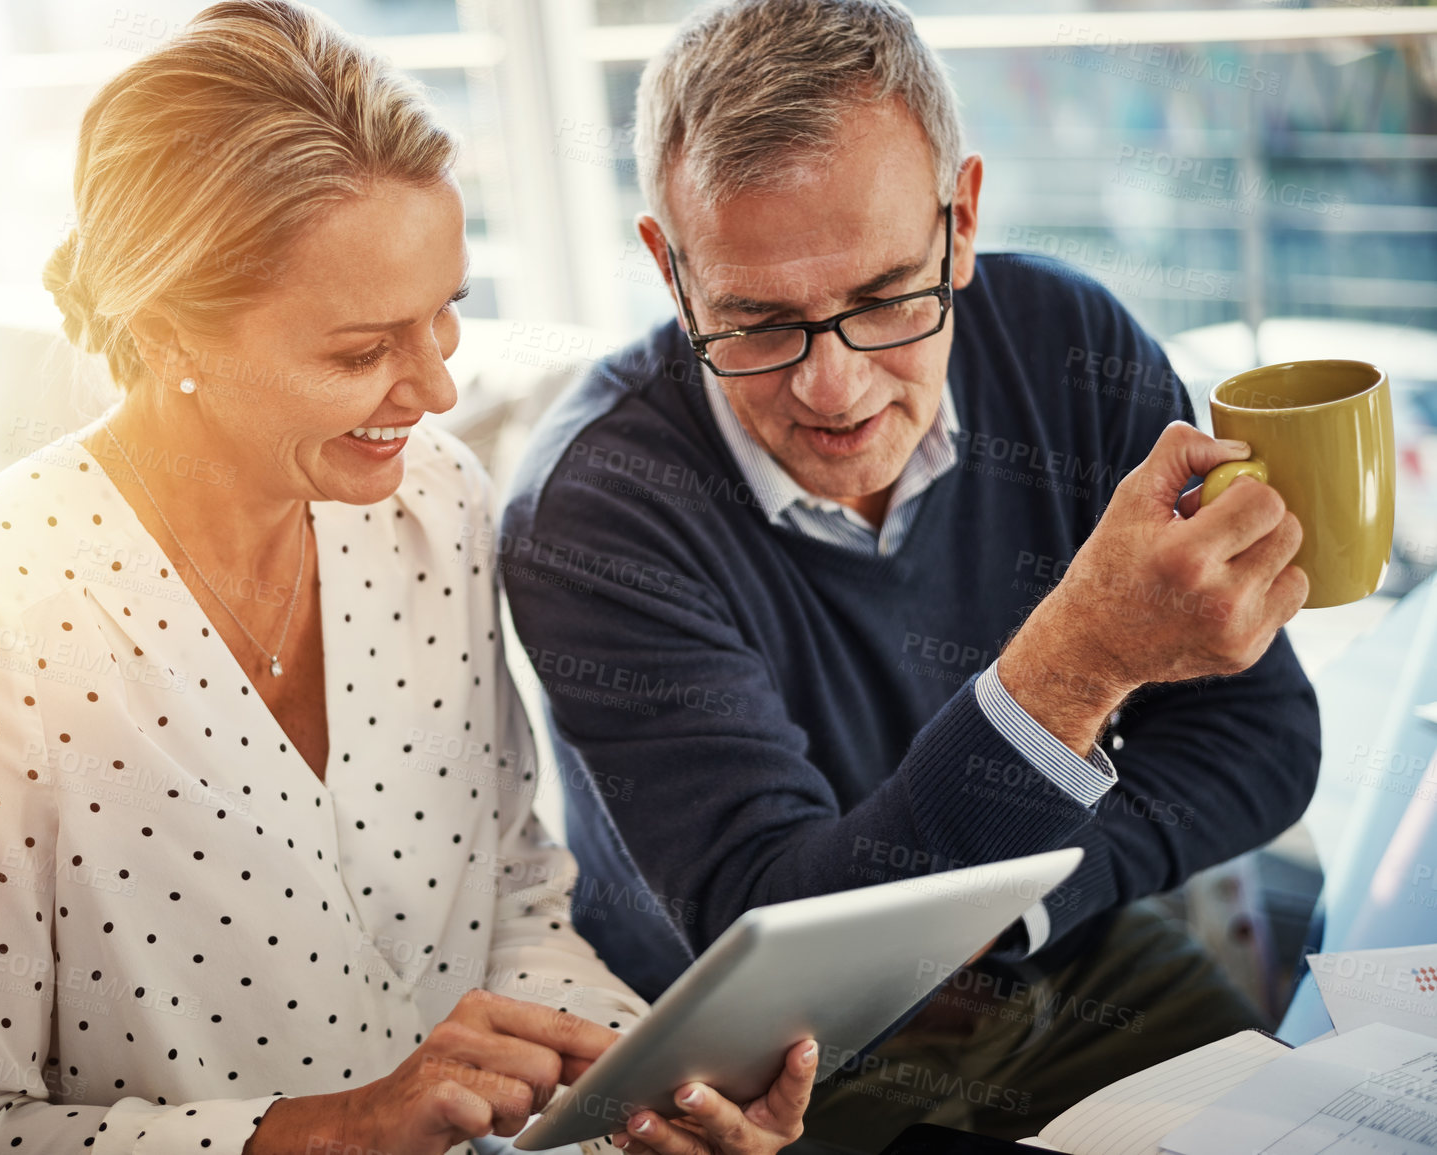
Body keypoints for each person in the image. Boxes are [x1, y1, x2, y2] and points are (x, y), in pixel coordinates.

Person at [0, 4, 819, 1154]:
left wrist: (653, 1098)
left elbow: (512, 909)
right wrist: (334, 1130)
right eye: (360, 352)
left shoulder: (431, 503)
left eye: (447, 314)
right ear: (170, 336)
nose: (436, 391)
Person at [498, 0, 1320, 1148]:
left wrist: (1025, 912)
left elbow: (1263, 739)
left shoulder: (1069, 341)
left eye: (886, 298)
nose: (833, 389)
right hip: (770, 1082)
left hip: (1081, 963)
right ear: (671, 272)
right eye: (756, 320)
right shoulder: (595, 508)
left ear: (963, 217)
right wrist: (1076, 660)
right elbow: (777, 950)